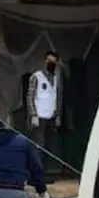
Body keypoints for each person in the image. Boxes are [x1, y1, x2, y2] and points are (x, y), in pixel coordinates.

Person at [26, 48, 63, 176]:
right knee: (38, 147)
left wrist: (58, 115)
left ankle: (44, 173)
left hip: (51, 118)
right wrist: (33, 114)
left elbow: (57, 97)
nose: (51, 64)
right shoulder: (36, 77)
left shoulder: (57, 78)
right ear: (44, 61)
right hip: (39, 118)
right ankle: (35, 174)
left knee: (48, 147)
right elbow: (30, 96)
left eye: (54, 62)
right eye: (49, 61)